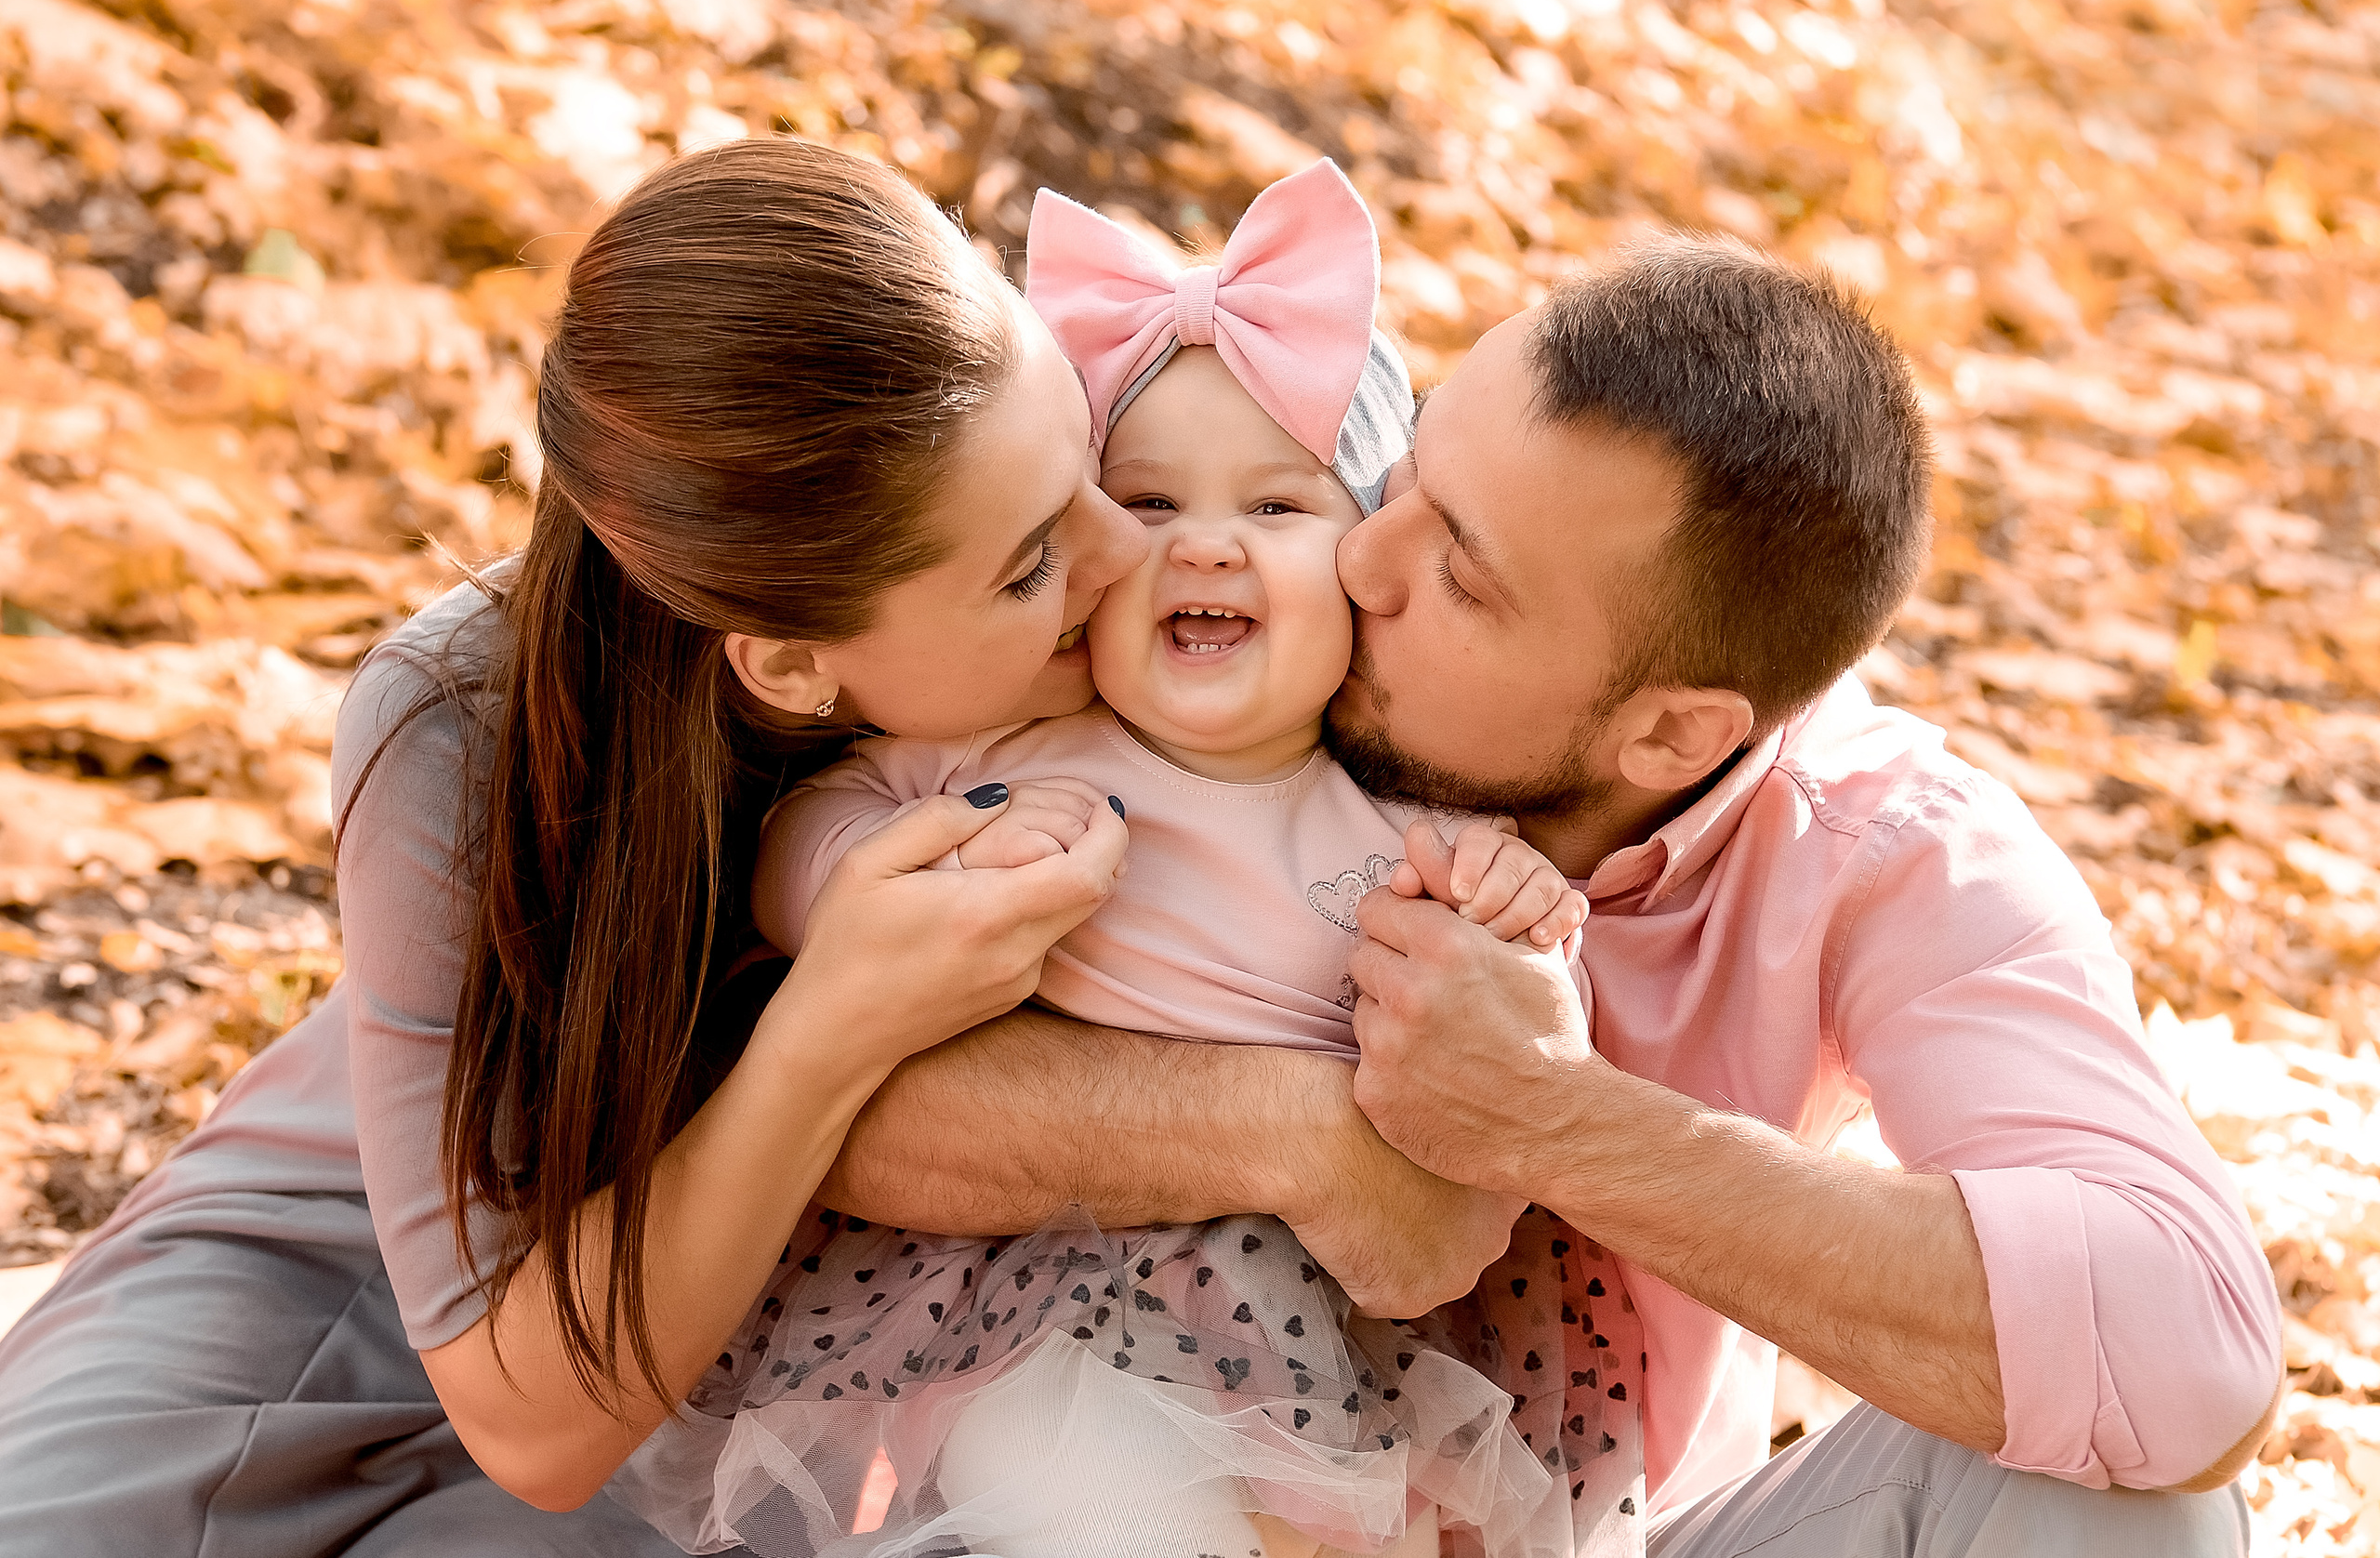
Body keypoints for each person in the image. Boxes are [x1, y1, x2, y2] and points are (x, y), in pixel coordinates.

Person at [0, 138, 1481, 1557]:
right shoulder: (459, 713)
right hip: (398, 1295)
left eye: (1089, 462)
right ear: (788, 667)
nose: (1122, 551)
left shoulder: (1174, 602)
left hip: (801, 1360)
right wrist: (832, 1025)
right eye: (1034, 559)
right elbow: (531, 1417)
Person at [793, 239, 2285, 1557]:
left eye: (1463, 574)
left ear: (1674, 735)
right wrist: (1298, 1137)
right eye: (1407, 472)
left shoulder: (1884, 848)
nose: (1362, 555)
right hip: (1115, 1475)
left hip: (1559, 1526)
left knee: (2126, 1507)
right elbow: (787, 1073)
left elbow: (2193, 1358)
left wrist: (1552, 1120)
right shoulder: (1181, 658)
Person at [615, 162, 1634, 1558]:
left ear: (1367, 567)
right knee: (1100, 1494)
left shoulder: (1404, 822)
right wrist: (908, 872)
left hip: (1330, 1311)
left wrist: (1530, 925)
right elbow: (804, 840)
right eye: (1144, 505)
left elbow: (1524, 1031)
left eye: (1278, 512)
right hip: (1035, 1286)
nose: (1203, 544)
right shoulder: (1019, 752)